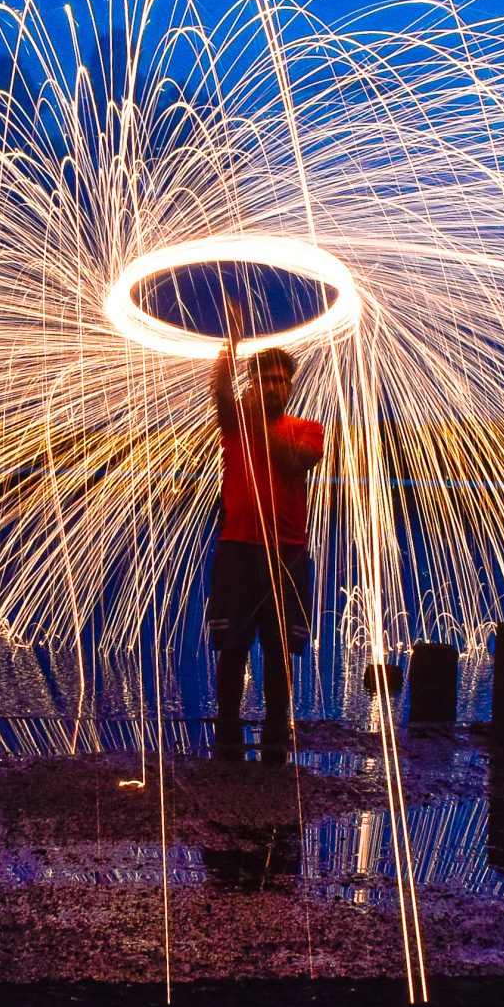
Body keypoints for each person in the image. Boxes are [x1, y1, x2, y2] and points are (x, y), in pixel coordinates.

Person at [207, 300, 324, 761]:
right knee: (232, 645)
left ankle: (278, 732)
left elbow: (292, 462)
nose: (274, 385)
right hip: (237, 550)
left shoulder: (307, 430)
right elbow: (218, 389)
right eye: (264, 378)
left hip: (288, 553)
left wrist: (260, 420)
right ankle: (227, 731)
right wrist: (232, 341)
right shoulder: (234, 423)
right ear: (251, 383)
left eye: (281, 379)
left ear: (290, 386)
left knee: (279, 650)